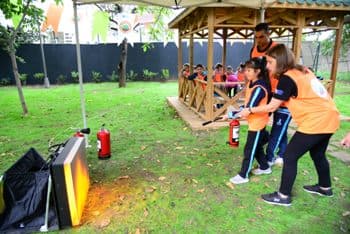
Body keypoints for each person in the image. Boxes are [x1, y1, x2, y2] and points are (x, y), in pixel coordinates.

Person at [238, 44, 340, 206]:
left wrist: (249, 109)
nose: (268, 66)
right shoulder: (303, 71)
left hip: (316, 121)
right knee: (318, 154)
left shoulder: (287, 78)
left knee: (290, 156)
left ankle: (283, 196)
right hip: (330, 118)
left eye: (270, 62)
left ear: (280, 61)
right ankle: (325, 187)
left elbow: (272, 106)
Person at [251, 22, 291, 167]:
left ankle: (271, 156)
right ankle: (281, 152)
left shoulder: (278, 49)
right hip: (267, 93)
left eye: (262, 37)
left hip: (281, 93)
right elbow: (255, 70)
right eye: (256, 37)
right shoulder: (254, 50)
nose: (259, 40)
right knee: (272, 125)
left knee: (279, 126)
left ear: (269, 33)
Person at [228, 57, 271, 184]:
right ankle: (265, 167)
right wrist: (230, 114)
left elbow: (248, 109)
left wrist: (231, 115)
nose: (246, 73)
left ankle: (243, 175)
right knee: (256, 147)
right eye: (245, 70)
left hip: (258, 122)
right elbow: (247, 105)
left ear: (257, 71)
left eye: (249, 70)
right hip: (255, 121)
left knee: (249, 149)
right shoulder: (251, 84)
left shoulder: (259, 88)